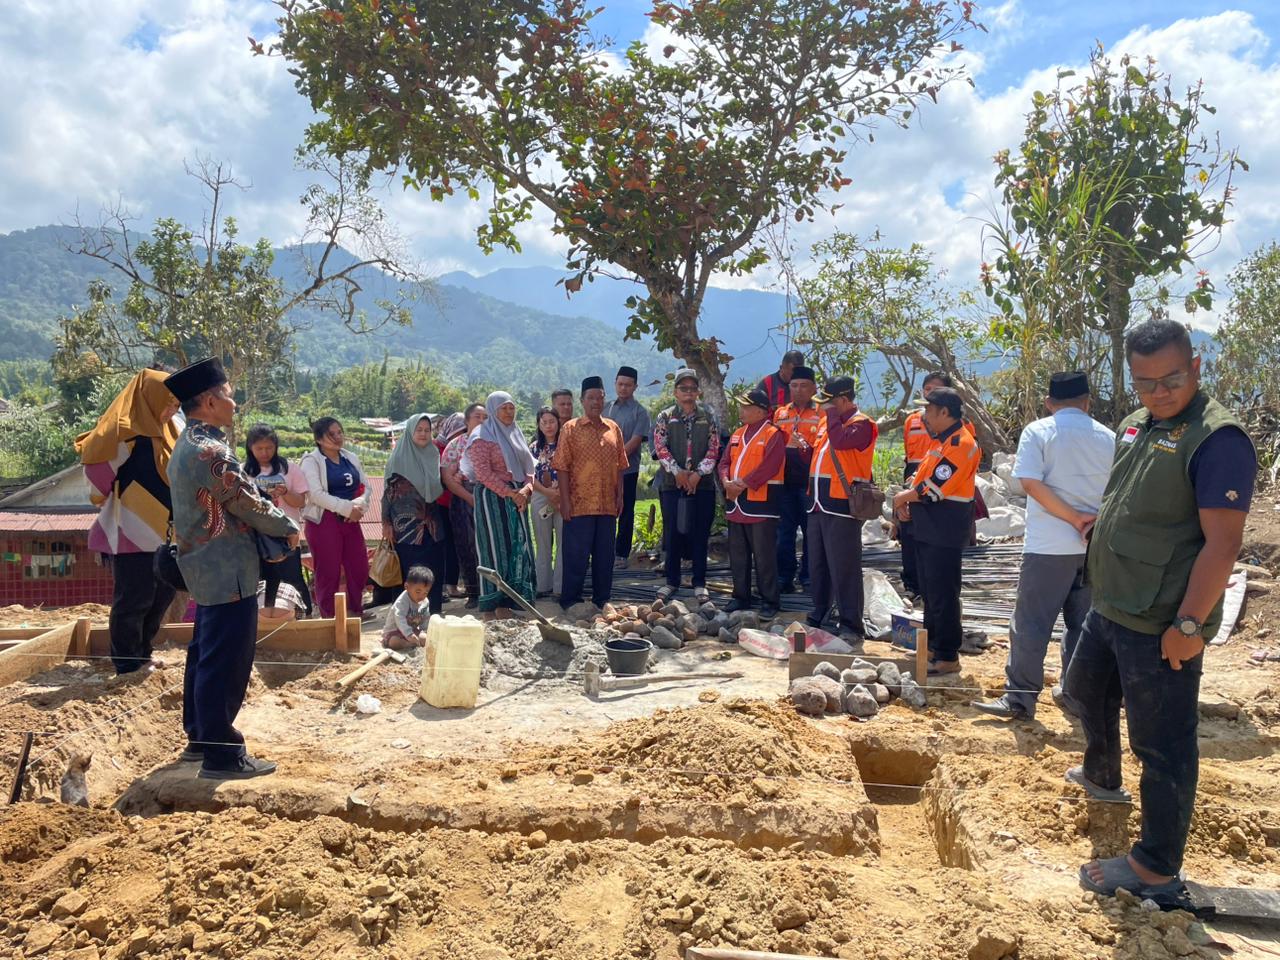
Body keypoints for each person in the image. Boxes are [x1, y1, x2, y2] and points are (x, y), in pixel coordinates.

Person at [1067, 319, 1255, 901]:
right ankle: (1103, 774)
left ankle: (1155, 866)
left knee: (1163, 744)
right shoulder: (1137, 424)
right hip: (1112, 601)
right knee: (1083, 691)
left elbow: (1223, 544)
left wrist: (1189, 625)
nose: (1159, 393)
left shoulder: (1217, 440)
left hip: (1159, 620)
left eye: (1171, 379)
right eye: (1145, 383)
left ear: (1195, 366)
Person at [165, 358, 298, 780]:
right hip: (228, 570)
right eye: (228, 394)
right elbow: (245, 501)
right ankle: (222, 754)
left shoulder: (186, 444)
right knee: (226, 661)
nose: (234, 403)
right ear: (209, 401)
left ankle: (200, 739)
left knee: (206, 653)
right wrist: (288, 527)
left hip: (205, 569)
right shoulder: (210, 451)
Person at [972, 372, 1115, 720]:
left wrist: (1073, 519)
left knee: (1032, 624)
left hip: (1049, 548)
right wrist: (1092, 523)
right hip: (1095, 547)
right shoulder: (1109, 437)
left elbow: (1030, 483)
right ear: (1087, 402)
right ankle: (1077, 696)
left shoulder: (1039, 432)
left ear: (1049, 403)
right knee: (1083, 625)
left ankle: (1020, 699)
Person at [75, 369, 182, 675]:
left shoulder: (172, 430)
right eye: (168, 403)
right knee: (134, 597)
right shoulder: (122, 433)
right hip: (130, 530)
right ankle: (126, 662)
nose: (172, 410)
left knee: (162, 595)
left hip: (167, 532)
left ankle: (143, 652)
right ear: (149, 398)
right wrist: (107, 497)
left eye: (176, 405)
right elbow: (97, 475)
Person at [892, 387, 980, 676]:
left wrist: (904, 498)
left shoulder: (962, 443)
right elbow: (922, 478)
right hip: (929, 525)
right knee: (930, 590)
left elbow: (934, 488)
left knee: (943, 592)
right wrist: (907, 500)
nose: (924, 416)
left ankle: (946, 654)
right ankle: (931, 646)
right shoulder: (941, 442)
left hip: (945, 527)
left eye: (929, 410)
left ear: (944, 412)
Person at [806, 376, 878, 647]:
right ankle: (820, 614)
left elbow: (841, 443)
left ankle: (851, 624)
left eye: (829, 403)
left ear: (844, 400)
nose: (823, 408)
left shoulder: (863, 424)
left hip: (842, 504)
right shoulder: (829, 423)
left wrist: (833, 417)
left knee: (844, 567)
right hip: (819, 502)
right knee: (818, 564)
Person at [553, 376, 629, 610]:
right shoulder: (570, 429)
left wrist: (620, 496)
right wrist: (564, 501)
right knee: (576, 555)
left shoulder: (613, 428)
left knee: (604, 556)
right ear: (582, 400)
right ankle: (570, 601)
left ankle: (602, 599)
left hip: (607, 504)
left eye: (600, 397)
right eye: (591, 398)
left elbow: (621, 466)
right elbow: (562, 467)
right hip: (579, 504)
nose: (596, 402)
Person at [464, 391, 537, 619]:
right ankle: (490, 607)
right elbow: (483, 474)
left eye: (511, 407)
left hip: (518, 499)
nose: (508, 412)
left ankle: (506, 606)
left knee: (517, 549)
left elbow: (529, 468)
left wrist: (526, 489)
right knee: (494, 551)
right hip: (493, 500)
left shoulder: (516, 433)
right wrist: (511, 494)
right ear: (492, 410)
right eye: (503, 408)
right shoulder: (481, 436)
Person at [652, 369, 721, 604]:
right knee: (673, 532)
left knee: (701, 533)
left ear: (698, 392)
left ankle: (699, 582)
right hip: (672, 484)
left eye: (692, 388)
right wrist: (678, 472)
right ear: (675, 392)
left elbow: (714, 448)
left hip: (703, 484)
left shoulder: (708, 415)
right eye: (684, 388)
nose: (688, 392)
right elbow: (661, 447)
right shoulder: (665, 416)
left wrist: (698, 474)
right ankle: (672, 580)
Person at [720, 388, 786, 618]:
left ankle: (770, 600)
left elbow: (770, 466)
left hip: (761, 504)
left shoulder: (773, 434)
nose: (741, 410)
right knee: (738, 554)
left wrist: (743, 484)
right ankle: (741, 596)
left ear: (760, 411)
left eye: (746, 407)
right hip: (736, 502)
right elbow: (724, 462)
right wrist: (726, 481)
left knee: (764, 555)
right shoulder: (738, 434)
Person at [300, 417, 373, 618]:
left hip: (351, 519)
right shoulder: (311, 461)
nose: (337, 437)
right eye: (331, 434)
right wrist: (346, 508)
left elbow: (366, 487)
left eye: (339, 432)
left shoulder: (350, 457)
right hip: (324, 521)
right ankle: (330, 616)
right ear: (319, 439)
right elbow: (315, 494)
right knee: (328, 571)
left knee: (359, 565)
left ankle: (355, 609)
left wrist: (359, 506)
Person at [243, 423, 312, 617]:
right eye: (259, 448)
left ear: (276, 446)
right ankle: (264, 618)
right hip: (255, 537)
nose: (265, 453)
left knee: (293, 577)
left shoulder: (289, 469)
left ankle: (304, 616)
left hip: (286, 535)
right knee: (261, 580)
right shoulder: (243, 472)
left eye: (269, 448)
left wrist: (285, 492)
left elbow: (301, 501)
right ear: (250, 448)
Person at [381, 413, 447, 615]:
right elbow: (387, 495)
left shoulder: (433, 455)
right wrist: (386, 523)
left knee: (433, 570)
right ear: (410, 432)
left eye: (427, 430)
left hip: (432, 526)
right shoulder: (398, 459)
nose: (423, 434)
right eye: (419, 430)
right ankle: (405, 617)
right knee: (409, 573)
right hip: (406, 530)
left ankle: (433, 614)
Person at [898, 371, 953, 597]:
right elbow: (908, 454)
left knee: (934, 535)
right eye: (927, 389)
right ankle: (912, 584)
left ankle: (933, 586)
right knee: (909, 532)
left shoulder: (957, 424)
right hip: (913, 475)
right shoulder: (911, 420)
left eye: (935, 389)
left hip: (940, 479)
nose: (930, 394)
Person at [772, 365, 821, 594]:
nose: (798, 390)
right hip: (784, 482)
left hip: (810, 484)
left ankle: (809, 577)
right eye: (794, 385)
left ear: (814, 388)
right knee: (784, 532)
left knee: (812, 532)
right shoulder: (780, 414)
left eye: (803, 386)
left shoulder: (821, 414)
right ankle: (784, 577)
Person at [604, 365, 652, 569]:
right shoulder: (605, 408)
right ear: (615, 383)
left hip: (628, 470)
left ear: (635, 387)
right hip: (602, 471)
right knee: (603, 510)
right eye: (620, 384)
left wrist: (614, 461)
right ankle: (603, 551)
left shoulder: (640, 412)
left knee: (625, 511)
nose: (623, 388)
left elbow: (635, 441)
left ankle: (621, 554)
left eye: (628, 385)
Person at [441, 403, 487, 608]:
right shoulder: (456, 445)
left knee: (489, 545)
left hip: (489, 497)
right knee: (467, 546)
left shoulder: (493, 443)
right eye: (478, 416)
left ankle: (492, 591)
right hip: (462, 501)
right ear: (467, 420)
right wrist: (470, 498)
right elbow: (448, 479)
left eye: (485, 417)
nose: (482, 421)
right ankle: (473, 592)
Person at [530, 406, 564, 599]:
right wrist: (548, 492)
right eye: (544, 422)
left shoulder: (567, 444)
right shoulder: (533, 448)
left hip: (564, 496)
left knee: (563, 542)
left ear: (558, 422)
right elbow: (529, 476)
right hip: (540, 496)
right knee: (542, 542)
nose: (549, 426)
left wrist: (559, 493)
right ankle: (542, 585)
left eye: (552, 421)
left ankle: (560, 587)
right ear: (539, 424)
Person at [383, 565, 434, 650]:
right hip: (394, 631)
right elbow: (399, 618)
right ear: (406, 587)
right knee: (393, 642)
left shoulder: (425, 601)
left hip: (412, 630)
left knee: (425, 638)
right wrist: (409, 634)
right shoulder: (402, 601)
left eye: (425, 592)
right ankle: (407, 645)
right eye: (418, 591)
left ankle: (413, 643)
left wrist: (424, 631)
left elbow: (425, 617)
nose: (421, 595)